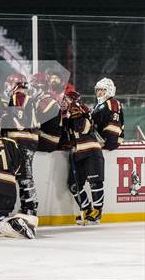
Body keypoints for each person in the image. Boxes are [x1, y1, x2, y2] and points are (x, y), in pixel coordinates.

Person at [61, 89, 105, 225]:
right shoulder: (67, 114)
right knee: (74, 185)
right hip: (78, 153)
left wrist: (77, 115)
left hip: (91, 151)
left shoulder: (83, 110)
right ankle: (87, 210)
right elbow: (68, 134)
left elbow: (83, 128)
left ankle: (97, 211)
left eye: (66, 99)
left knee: (95, 181)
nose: (63, 102)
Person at [0, 72, 39, 216]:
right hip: (27, 141)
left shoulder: (19, 97)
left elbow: (20, 123)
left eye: (10, 84)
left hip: (22, 141)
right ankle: (28, 208)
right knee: (24, 177)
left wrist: (4, 117)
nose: (8, 87)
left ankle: (30, 208)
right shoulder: (26, 98)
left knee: (24, 177)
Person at [31, 72, 62, 152]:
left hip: (49, 140)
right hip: (47, 136)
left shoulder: (46, 102)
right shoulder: (42, 100)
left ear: (41, 88)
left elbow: (34, 124)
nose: (30, 91)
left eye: (33, 88)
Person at [92, 77, 124, 150]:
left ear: (109, 90)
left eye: (102, 90)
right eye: (97, 90)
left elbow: (114, 124)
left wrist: (110, 142)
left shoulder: (113, 103)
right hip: (99, 141)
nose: (99, 92)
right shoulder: (98, 105)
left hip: (107, 142)